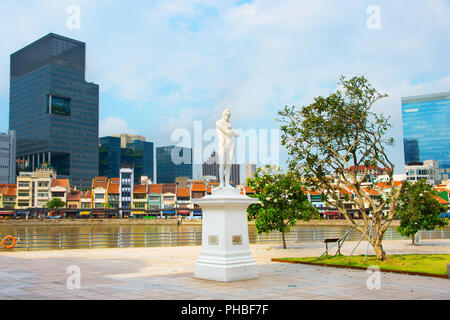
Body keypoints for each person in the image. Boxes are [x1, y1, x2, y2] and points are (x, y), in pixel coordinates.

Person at [216, 109, 240, 189]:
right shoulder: (219, 122)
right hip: (223, 145)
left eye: (229, 115)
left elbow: (237, 134)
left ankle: (227, 183)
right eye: (226, 114)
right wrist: (232, 131)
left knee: (228, 165)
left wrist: (232, 131)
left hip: (230, 145)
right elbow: (227, 132)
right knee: (222, 163)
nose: (228, 116)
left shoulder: (229, 123)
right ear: (223, 114)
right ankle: (221, 183)